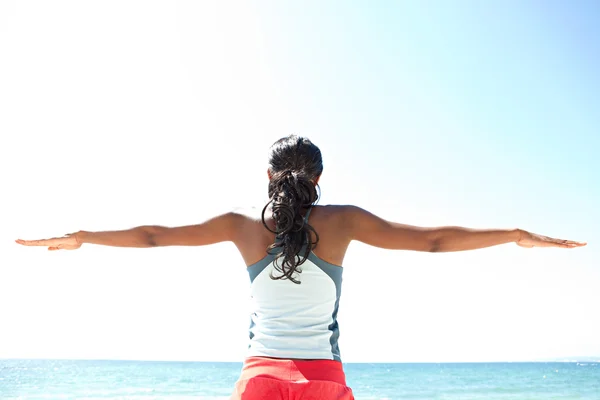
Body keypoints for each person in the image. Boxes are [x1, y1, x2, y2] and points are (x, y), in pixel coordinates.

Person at [16, 135, 586, 399]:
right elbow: (434, 241)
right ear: (318, 179)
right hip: (324, 380)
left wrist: (84, 238)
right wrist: (513, 236)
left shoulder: (241, 227)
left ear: (269, 178)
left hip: (260, 379)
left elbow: (153, 236)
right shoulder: (344, 221)